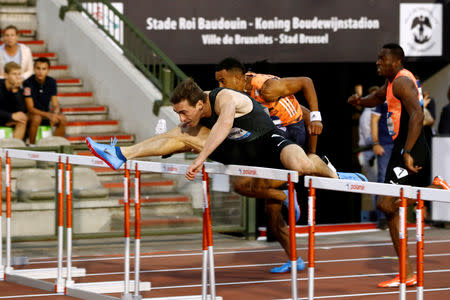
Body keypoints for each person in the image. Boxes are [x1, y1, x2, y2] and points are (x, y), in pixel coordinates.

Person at [87, 78, 366, 273]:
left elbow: (223, 127)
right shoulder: (193, 116)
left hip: (267, 143)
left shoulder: (225, 98)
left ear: (199, 104)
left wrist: (199, 158)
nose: (182, 116)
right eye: (177, 112)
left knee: (301, 166)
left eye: (183, 111)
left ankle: (330, 169)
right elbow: (185, 137)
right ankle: (121, 154)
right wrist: (169, 149)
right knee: (180, 135)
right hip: (237, 151)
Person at [348, 43, 449, 288]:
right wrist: (361, 101)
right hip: (400, 149)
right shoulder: (392, 83)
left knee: (386, 203)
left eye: (382, 59)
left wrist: (407, 152)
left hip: (411, 149)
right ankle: (407, 271)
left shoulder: (403, 82)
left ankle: (436, 189)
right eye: (378, 58)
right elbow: (378, 97)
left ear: (396, 61)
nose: (377, 62)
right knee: (390, 210)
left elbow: (416, 115)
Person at [214, 57, 322, 272]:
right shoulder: (238, 95)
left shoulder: (267, 88)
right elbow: (294, 105)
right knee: (271, 216)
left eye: (223, 81)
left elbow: (306, 82)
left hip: (290, 135)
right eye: (217, 82)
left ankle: (288, 193)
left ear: (238, 78)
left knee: (243, 184)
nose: (220, 87)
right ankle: (295, 259)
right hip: (271, 136)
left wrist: (316, 121)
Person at [23, 57, 66, 145]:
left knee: (62, 118)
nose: (40, 71)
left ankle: (57, 146)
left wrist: (55, 112)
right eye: (38, 68)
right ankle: (32, 147)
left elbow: (55, 104)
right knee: (36, 118)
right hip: (30, 115)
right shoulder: (27, 83)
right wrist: (49, 115)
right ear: (34, 69)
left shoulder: (52, 82)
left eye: (44, 69)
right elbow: (30, 108)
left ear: (48, 70)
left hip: (45, 114)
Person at [370, 100, 393, 229]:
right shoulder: (382, 97)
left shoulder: (403, 95)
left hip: (399, 145)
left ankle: (395, 214)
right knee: (382, 179)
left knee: (398, 180)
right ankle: (382, 217)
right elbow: (374, 120)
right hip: (385, 144)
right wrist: (376, 143)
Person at [0, 62, 28, 139]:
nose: (17, 77)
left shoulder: (19, 88)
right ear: (6, 75)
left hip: (7, 118)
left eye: (19, 74)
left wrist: (15, 91)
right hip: (4, 116)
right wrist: (11, 115)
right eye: (14, 74)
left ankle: (15, 149)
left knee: (22, 121)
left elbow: (22, 110)